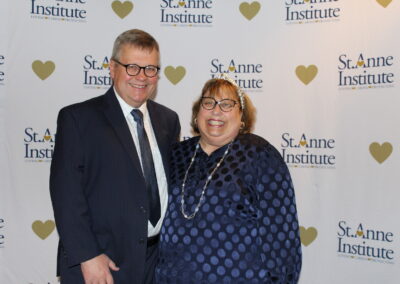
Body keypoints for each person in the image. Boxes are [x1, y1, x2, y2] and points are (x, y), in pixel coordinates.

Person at [50, 29, 180, 284]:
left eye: (150, 69)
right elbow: (66, 194)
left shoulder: (169, 120)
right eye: (132, 67)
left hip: (157, 263)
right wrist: (88, 256)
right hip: (101, 264)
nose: (141, 77)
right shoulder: (78, 119)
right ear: (112, 68)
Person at [156, 75, 302, 283]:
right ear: (197, 113)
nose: (216, 110)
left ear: (242, 117)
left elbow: (281, 238)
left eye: (227, 104)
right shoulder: (177, 154)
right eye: (208, 103)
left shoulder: (261, 155)